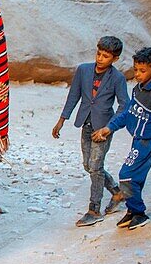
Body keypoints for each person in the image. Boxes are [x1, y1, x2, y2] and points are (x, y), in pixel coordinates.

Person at [92, 47, 151, 230]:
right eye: (136, 69)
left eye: (142, 71)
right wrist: (108, 128)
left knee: (126, 175)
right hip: (138, 139)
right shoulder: (138, 89)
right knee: (135, 178)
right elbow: (128, 113)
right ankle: (132, 211)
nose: (137, 74)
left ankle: (139, 212)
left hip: (150, 141)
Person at [52, 36, 129, 227]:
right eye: (99, 54)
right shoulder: (83, 70)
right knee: (89, 166)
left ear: (115, 59)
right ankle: (117, 193)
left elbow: (124, 105)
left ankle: (94, 210)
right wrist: (62, 120)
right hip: (85, 124)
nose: (100, 59)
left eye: (106, 56)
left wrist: (108, 128)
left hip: (103, 128)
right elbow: (73, 96)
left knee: (95, 167)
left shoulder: (118, 78)